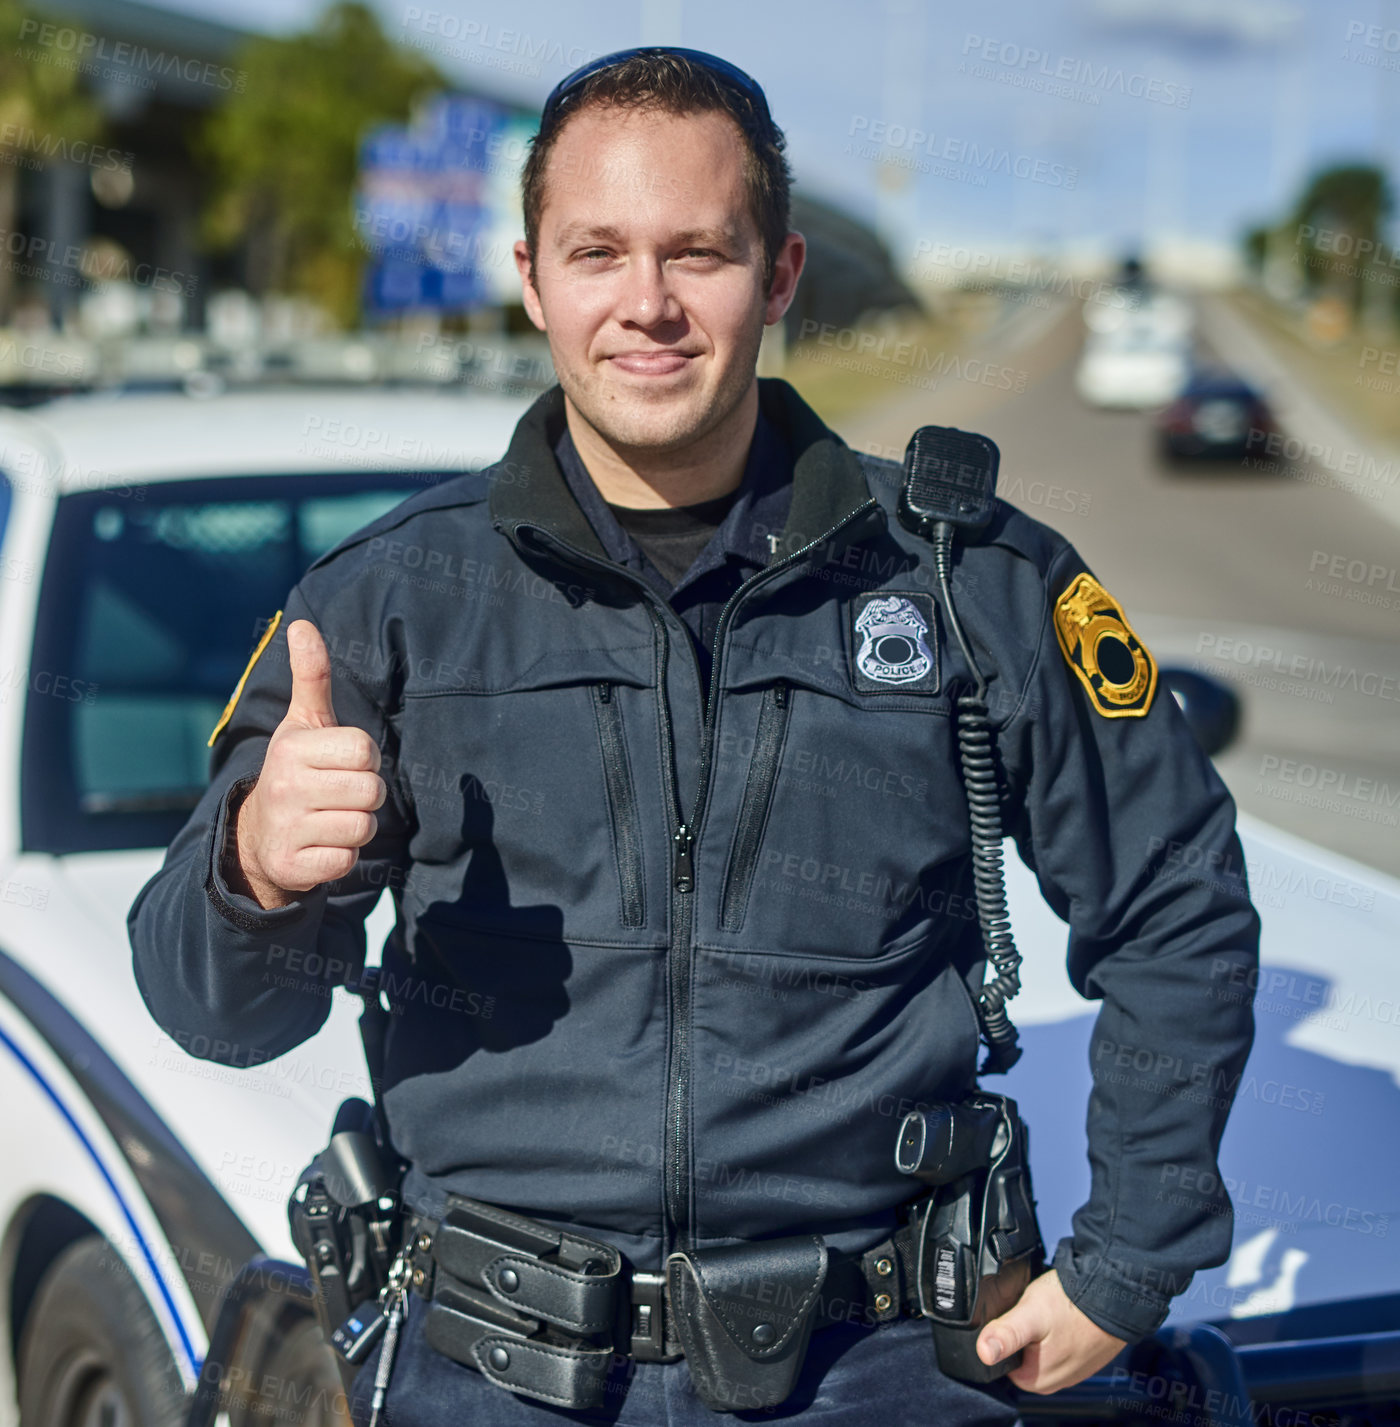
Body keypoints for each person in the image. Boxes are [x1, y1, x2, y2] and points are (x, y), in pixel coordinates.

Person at [128, 47, 1260, 1426]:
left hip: (878, 1368)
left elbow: (1176, 899)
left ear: (779, 276)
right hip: (490, 1371)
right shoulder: (382, 605)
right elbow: (212, 1014)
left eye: (699, 253)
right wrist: (254, 872)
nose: (647, 304)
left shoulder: (972, 581)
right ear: (532, 279)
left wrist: (1126, 1262)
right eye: (596, 252)